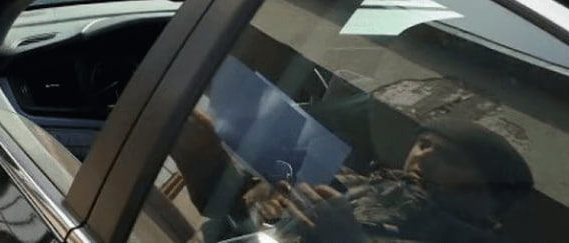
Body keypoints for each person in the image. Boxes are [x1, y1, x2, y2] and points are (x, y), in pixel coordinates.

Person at [171, 111, 533, 243]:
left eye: (449, 157)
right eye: (423, 144)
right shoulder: (359, 185)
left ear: (487, 198)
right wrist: (201, 152)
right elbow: (227, 209)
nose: (424, 156)